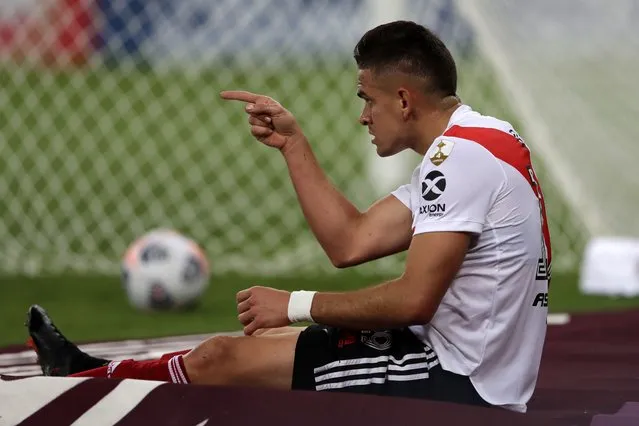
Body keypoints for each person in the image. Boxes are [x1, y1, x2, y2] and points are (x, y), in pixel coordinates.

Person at [26, 20, 551, 413]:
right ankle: (91, 371)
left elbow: (414, 300)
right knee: (255, 347)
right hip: (467, 358)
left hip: (463, 380)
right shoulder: (480, 140)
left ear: (404, 100)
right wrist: (293, 144)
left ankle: (83, 382)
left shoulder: (455, 161)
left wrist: (296, 304)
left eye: (367, 99)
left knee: (224, 361)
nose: (363, 115)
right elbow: (351, 243)